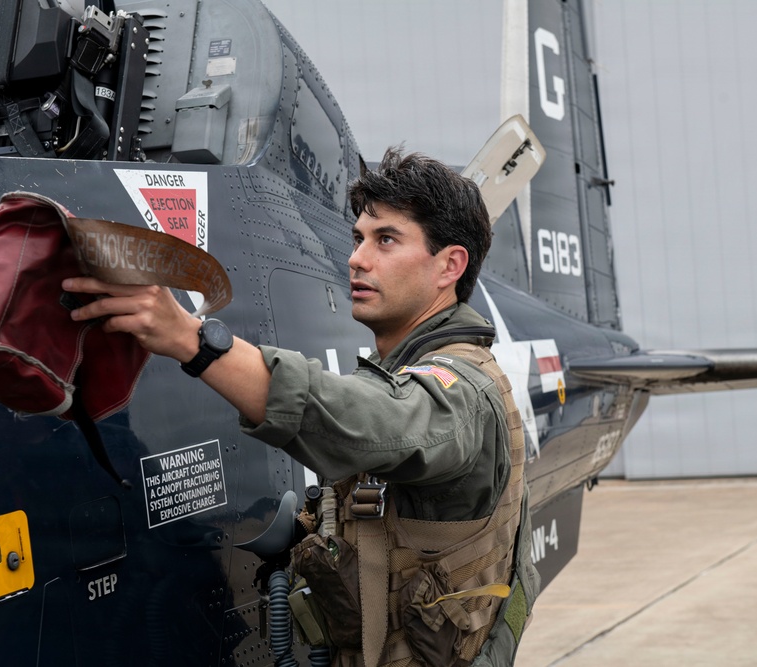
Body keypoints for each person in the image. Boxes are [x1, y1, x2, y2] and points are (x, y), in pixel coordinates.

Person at [64, 147, 537, 666]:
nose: (357, 258)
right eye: (358, 238)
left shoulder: (460, 388)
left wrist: (189, 338)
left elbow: (377, 420)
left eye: (386, 240)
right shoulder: (416, 370)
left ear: (450, 265)